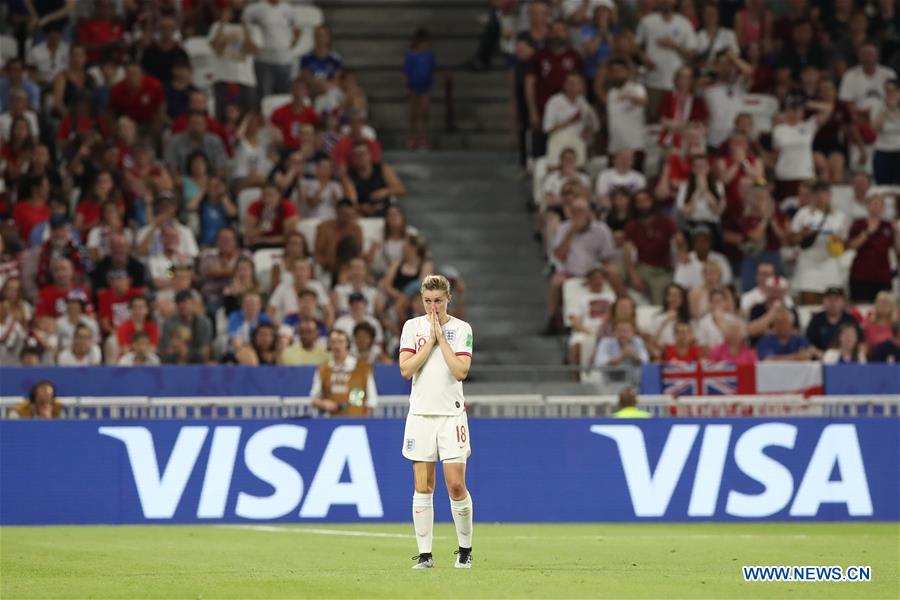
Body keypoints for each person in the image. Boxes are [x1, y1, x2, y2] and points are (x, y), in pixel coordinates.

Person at [398, 274, 474, 570]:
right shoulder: (411, 328)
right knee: (423, 486)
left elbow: (460, 370)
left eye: (438, 301)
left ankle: (465, 549)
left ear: (448, 299)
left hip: (451, 415)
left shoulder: (461, 329)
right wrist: (428, 340)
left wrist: (441, 338)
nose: (433, 307)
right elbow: (406, 370)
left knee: (455, 485)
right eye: (427, 301)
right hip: (420, 415)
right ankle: (426, 555)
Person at [635, 0, 696, 122]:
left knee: (675, 120)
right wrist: (643, 57)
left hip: (677, 85)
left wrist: (674, 45)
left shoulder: (684, 23)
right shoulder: (647, 21)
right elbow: (635, 46)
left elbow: (691, 54)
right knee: (652, 120)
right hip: (653, 82)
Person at [790, 182, 849, 305]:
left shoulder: (839, 216)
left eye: (825, 194)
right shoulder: (803, 214)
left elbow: (846, 242)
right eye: (817, 194)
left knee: (831, 300)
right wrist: (803, 233)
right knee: (808, 298)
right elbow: (792, 239)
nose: (821, 197)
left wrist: (838, 239)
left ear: (830, 196)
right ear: (812, 196)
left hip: (830, 261)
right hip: (808, 261)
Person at [311, 329, 378, 416]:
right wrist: (323, 404)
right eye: (333, 342)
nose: (337, 346)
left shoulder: (363, 368)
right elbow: (313, 399)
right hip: (330, 421)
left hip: (357, 421)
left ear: (347, 343)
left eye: (341, 342)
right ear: (329, 345)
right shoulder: (323, 369)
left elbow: (372, 400)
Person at [243, 0, 301, 98]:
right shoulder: (257, 8)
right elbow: (244, 20)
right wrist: (249, 39)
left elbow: (297, 28)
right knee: (265, 96)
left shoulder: (288, 8)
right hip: (265, 60)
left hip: (284, 60)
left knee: (283, 96)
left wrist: (293, 42)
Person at [566, 264, 615, 371]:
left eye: (601, 278)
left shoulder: (611, 296)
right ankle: (577, 377)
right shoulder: (578, 298)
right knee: (577, 343)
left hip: (608, 330)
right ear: (588, 280)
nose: (598, 281)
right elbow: (575, 322)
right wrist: (590, 333)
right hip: (586, 331)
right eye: (595, 278)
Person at [805, 287, 863, 358]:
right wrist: (825, 356)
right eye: (829, 299)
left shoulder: (851, 320)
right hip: (820, 360)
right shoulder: (816, 320)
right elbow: (808, 344)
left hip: (847, 360)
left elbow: (861, 343)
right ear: (823, 301)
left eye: (836, 299)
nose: (832, 303)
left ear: (843, 302)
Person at [403, 28, 435, 150]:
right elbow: (405, 73)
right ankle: (411, 138)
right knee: (413, 114)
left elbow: (431, 70)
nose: (424, 45)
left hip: (425, 88)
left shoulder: (430, 56)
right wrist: (406, 87)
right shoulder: (411, 56)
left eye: (426, 43)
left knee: (425, 113)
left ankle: (423, 138)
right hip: (413, 88)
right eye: (422, 43)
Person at [871, 79, 900, 185]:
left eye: (894, 90)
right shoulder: (878, 105)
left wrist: (895, 108)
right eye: (887, 90)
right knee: (882, 185)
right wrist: (887, 109)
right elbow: (874, 128)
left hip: (899, 149)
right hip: (882, 150)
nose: (890, 93)